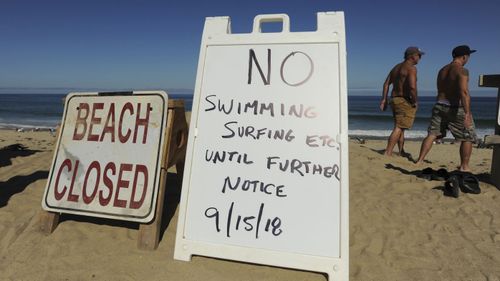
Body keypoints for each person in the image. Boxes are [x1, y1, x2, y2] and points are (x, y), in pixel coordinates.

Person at [415, 45, 477, 171]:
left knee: (432, 134)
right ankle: (464, 166)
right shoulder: (462, 70)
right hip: (455, 107)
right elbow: (464, 92)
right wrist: (467, 113)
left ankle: (419, 160)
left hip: (439, 105)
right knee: (468, 136)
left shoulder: (442, 70)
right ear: (465, 56)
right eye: (468, 56)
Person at [380, 46, 424, 156]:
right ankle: (388, 152)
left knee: (401, 127)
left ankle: (401, 151)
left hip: (394, 100)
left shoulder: (396, 67)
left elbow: (386, 84)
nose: (420, 58)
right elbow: (412, 87)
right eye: (419, 55)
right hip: (404, 100)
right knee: (399, 127)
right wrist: (415, 102)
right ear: (412, 56)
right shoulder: (411, 68)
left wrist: (384, 99)